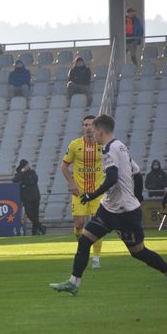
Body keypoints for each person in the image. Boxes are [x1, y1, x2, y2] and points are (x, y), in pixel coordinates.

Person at [50, 114, 167, 295]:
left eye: (94, 131)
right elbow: (136, 173)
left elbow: (112, 178)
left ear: (100, 131)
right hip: (108, 209)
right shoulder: (121, 147)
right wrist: (136, 196)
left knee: (138, 251)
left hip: (125, 212)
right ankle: (74, 283)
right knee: (84, 241)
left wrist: (92, 194)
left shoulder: (109, 150)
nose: (92, 135)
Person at [61, 115, 105, 268]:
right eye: (85, 125)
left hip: (98, 193)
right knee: (79, 223)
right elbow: (64, 166)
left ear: (96, 127)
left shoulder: (103, 145)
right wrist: (72, 183)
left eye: (91, 125)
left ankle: (96, 259)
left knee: (97, 224)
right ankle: (83, 247)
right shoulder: (75, 145)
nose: (88, 127)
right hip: (79, 193)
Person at [13, 159, 46, 235]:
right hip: (26, 198)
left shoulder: (32, 172)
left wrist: (24, 183)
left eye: (28, 165)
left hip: (35, 197)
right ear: (23, 166)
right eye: (26, 165)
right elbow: (15, 180)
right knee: (29, 214)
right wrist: (22, 172)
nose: (28, 166)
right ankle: (41, 227)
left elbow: (34, 181)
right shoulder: (19, 173)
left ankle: (35, 232)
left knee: (35, 215)